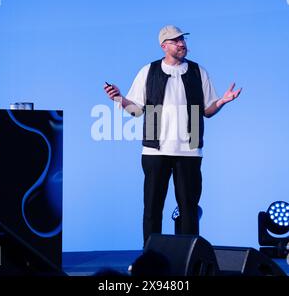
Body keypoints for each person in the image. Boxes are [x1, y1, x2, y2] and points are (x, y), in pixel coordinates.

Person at [104, 25, 242, 247]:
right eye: (175, 41)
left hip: (189, 150)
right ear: (164, 46)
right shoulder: (148, 71)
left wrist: (222, 101)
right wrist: (119, 98)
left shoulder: (198, 71)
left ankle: (189, 260)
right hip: (155, 151)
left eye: (182, 40)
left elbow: (207, 110)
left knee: (189, 209)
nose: (181, 44)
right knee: (152, 208)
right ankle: (151, 258)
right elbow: (137, 110)